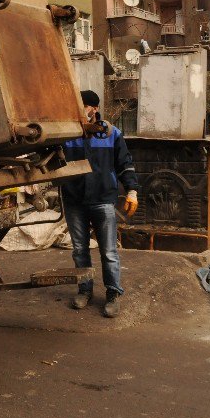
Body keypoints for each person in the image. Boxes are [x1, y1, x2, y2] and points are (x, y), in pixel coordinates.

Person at [61, 90, 139, 318]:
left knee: (109, 251)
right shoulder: (67, 133)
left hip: (103, 199)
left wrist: (132, 190)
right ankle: (85, 290)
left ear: (93, 109)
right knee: (79, 250)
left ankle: (113, 293)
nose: (79, 110)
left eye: (83, 106)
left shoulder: (111, 133)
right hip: (75, 199)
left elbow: (125, 162)